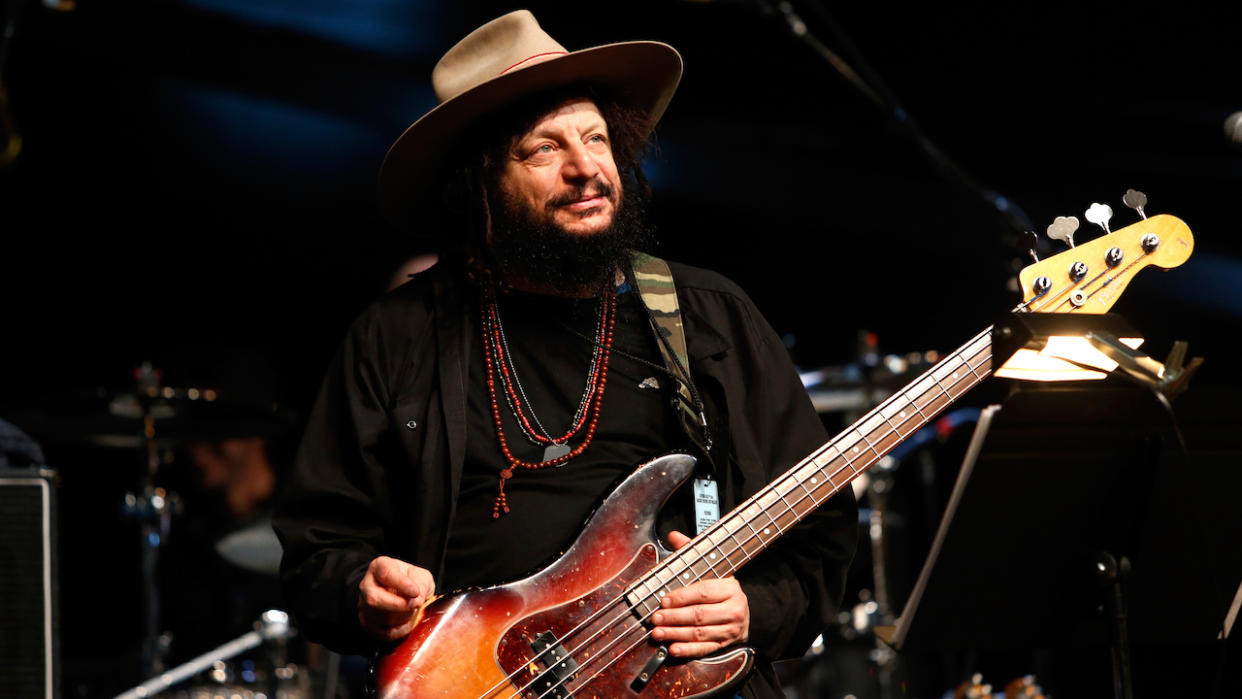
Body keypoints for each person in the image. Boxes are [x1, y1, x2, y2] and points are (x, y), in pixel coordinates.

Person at [273, 10, 858, 698]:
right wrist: (361, 589)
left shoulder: (708, 318)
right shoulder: (398, 335)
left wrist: (755, 606)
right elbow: (316, 553)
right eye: (544, 150)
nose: (586, 168)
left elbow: (822, 534)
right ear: (482, 186)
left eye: (597, 138)